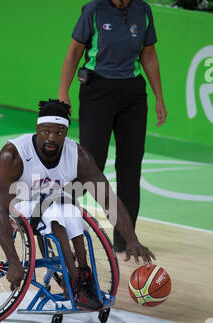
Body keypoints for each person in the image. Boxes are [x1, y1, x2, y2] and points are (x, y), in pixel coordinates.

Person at [0, 99, 155, 313]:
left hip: (50, 201)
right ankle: (75, 279)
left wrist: (131, 238)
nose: (52, 138)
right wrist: (13, 261)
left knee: (70, 212)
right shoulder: (13, 154)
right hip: (16, 201)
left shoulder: (79, 156)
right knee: (58, 218)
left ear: (66, 132)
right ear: (37, 128)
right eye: (46, 131)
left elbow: (108, 200)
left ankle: (83, 277)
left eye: (59, 132)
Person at [58, 0, 167, 252]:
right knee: (90, 164)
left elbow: (148, 54)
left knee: (130, 166)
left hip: (134, 93)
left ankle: (126, 239)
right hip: (97, 91)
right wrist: (64, 90)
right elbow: (75, 51)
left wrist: (159, 97)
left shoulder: (143, 10)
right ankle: (56, 219)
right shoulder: (94, 9)